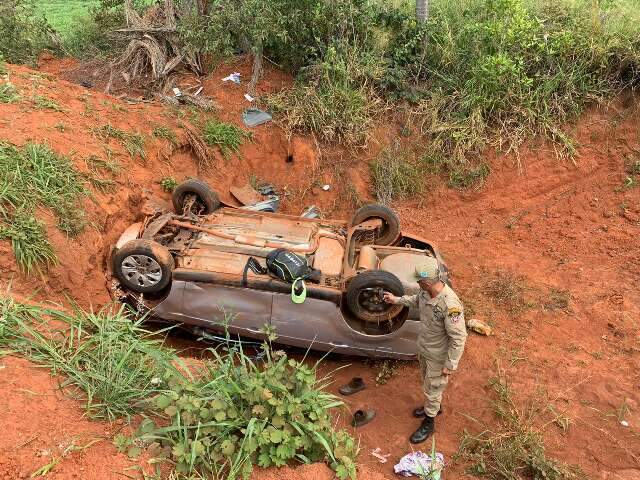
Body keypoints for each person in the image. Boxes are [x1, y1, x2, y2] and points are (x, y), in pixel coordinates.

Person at [383, 257, 467, 444]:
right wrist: (396, 299)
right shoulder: (427, 292)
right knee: (428, 383)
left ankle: (429, 423)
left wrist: (450, 364)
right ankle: (434, 407)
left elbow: (459, 337)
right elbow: (415, 300)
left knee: (433, 389)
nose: (417, 284)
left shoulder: (450, 305)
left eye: (419, 281)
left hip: (438, 356)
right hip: (425, 349)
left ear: (427, 282)